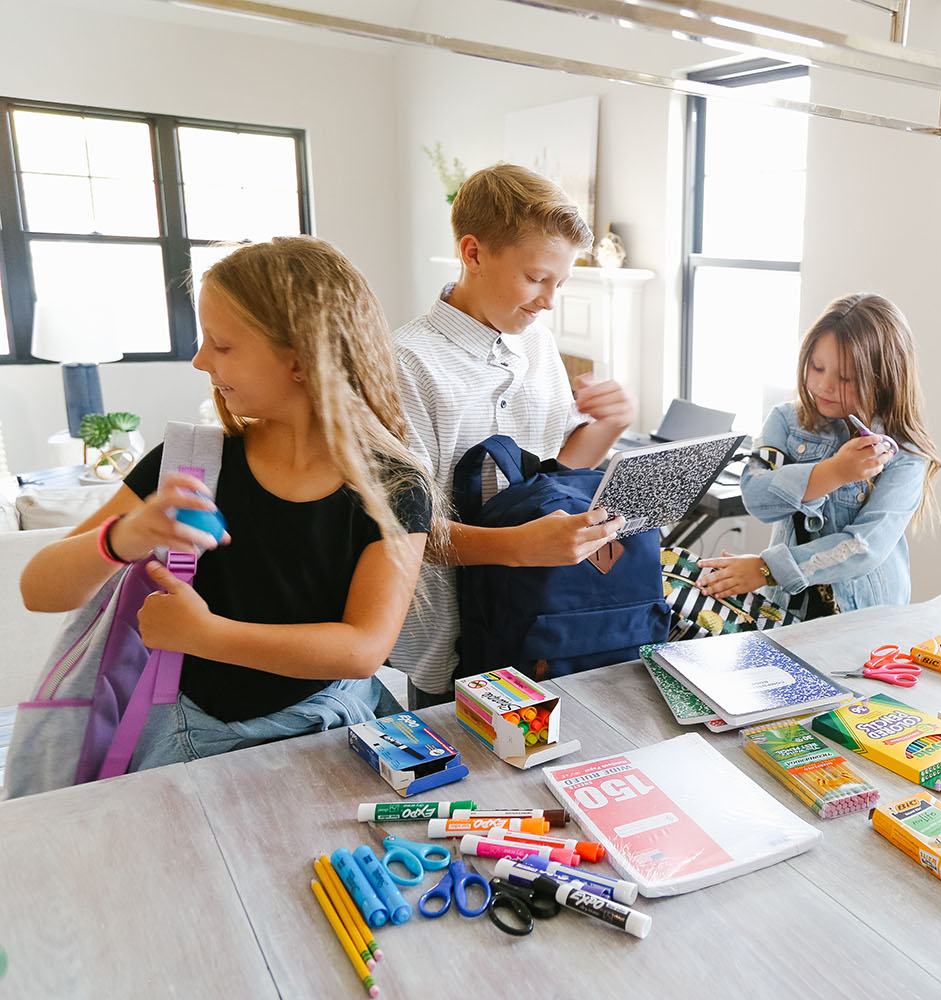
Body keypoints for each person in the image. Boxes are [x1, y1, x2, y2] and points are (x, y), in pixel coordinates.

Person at [18, 236, 435, 767]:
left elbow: (363, 649)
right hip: (186, 734)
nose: (198, 360)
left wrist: (205, 634)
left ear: (302, 360)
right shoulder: (187, 463)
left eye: (221, 344)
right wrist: (123, 538)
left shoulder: (394, 488)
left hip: (331, 727)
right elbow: (39, 589)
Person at [390, 163, 635, 706]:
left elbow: (559, 471)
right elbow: (402, 534)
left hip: (542, 622)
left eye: (561, 282)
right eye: (536, 278)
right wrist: (518, 548)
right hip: (450, 644)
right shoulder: (405, 362)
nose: (549, 300)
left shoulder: (539, 346)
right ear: (473, 253)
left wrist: (610, 426)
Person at [696, 293, 941, 616]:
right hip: (785, 609)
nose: (824, 385)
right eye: (817, 367)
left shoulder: (904, 455)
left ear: (883, 379)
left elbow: (863, 547)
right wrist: (835, 472)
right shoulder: (784, 420)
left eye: (845, 378)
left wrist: (767, 569)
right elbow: (756, 497)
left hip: (865, 619)